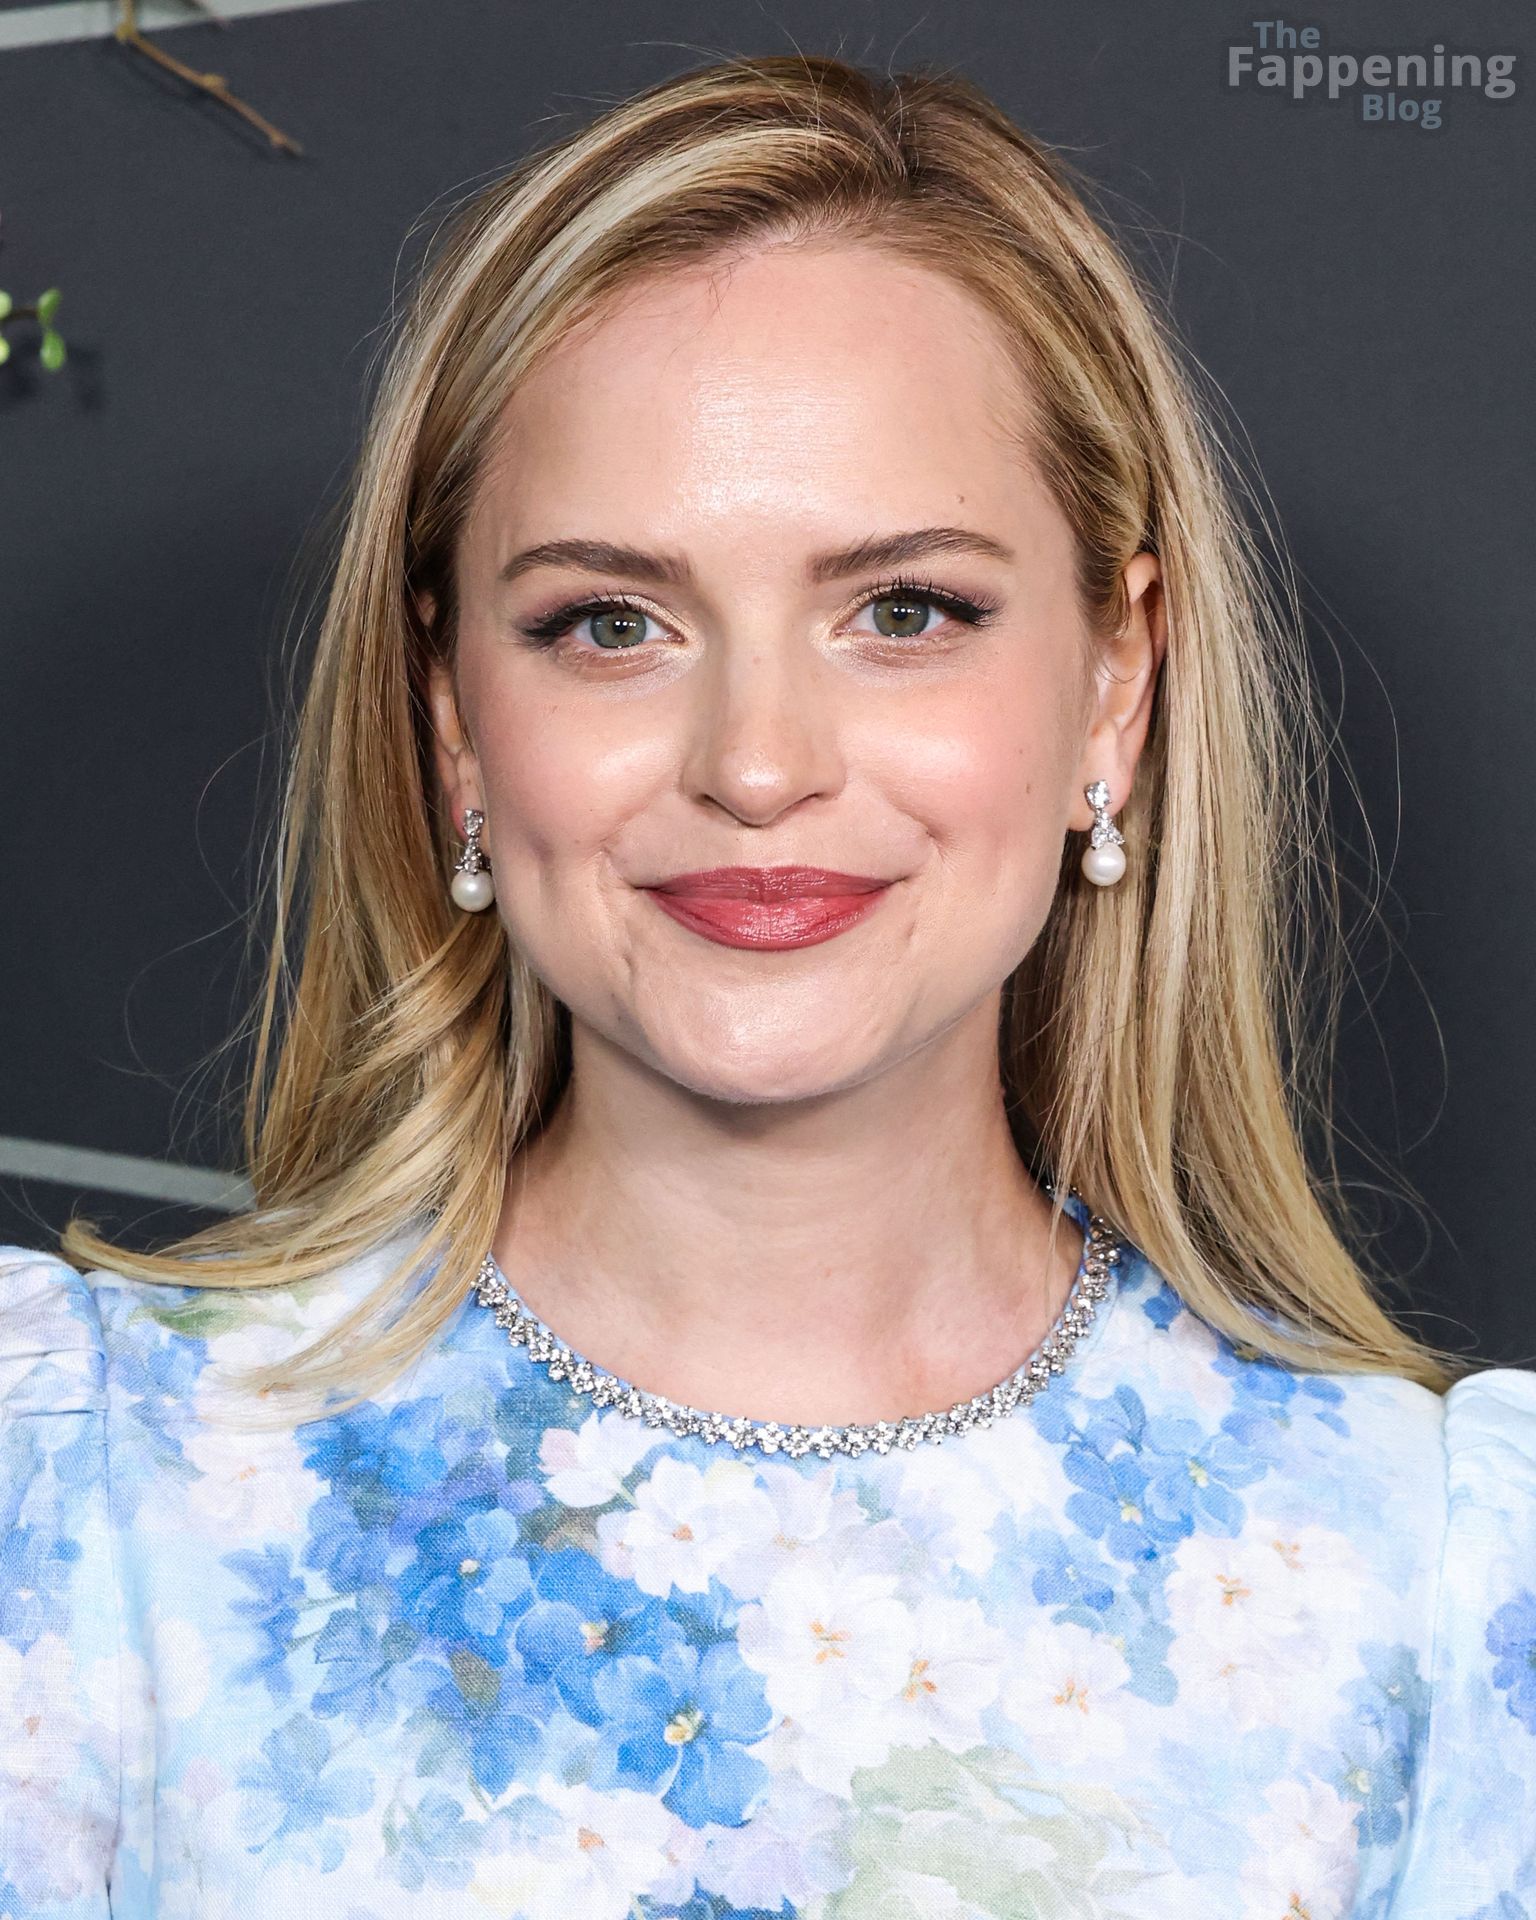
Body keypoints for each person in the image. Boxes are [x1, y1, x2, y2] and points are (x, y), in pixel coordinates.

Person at [1, 50, 1531, 1920]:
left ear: (1114, 685)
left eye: (905, 611)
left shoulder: (1436, 1590)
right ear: (454, 719)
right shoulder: (77, 1501)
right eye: (610, 624)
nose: (754, 762)